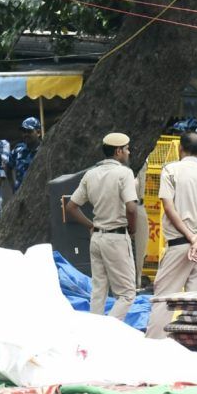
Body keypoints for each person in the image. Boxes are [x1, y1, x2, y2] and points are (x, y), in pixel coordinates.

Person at [145, 132, 197, 338]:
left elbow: (169, 208)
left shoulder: (171, 170)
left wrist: (190, 238)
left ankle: (153, 347)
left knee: (164, 299)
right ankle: (189, 346)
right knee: (195, 302)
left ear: (180, 148)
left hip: (180, 245)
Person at [65, 133, 138, 320]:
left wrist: (91, 225)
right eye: (127, 149)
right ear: (119, 151)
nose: (128, 153)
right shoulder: (124, 173)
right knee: (127, 294)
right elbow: (131, 207)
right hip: (116, 237)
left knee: (98, 292)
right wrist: (133, 228)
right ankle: (108, 330)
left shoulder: (91, 174)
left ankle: (93, 335)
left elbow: (71, 207)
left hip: (96, 237)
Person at [7, 117, 41, 192]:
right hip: (20, 196)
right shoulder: (18, 150)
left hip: (39, 194)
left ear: (38, 132)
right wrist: (13, 186)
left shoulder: (44, 150)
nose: (26, 134)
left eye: (29, 131)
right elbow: (8, 167)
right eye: (24, 131)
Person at [133, 160, 149, 288]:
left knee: (140, 251)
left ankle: (137, 284)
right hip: (129, 206)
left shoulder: (143, 158)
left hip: (140, 206)